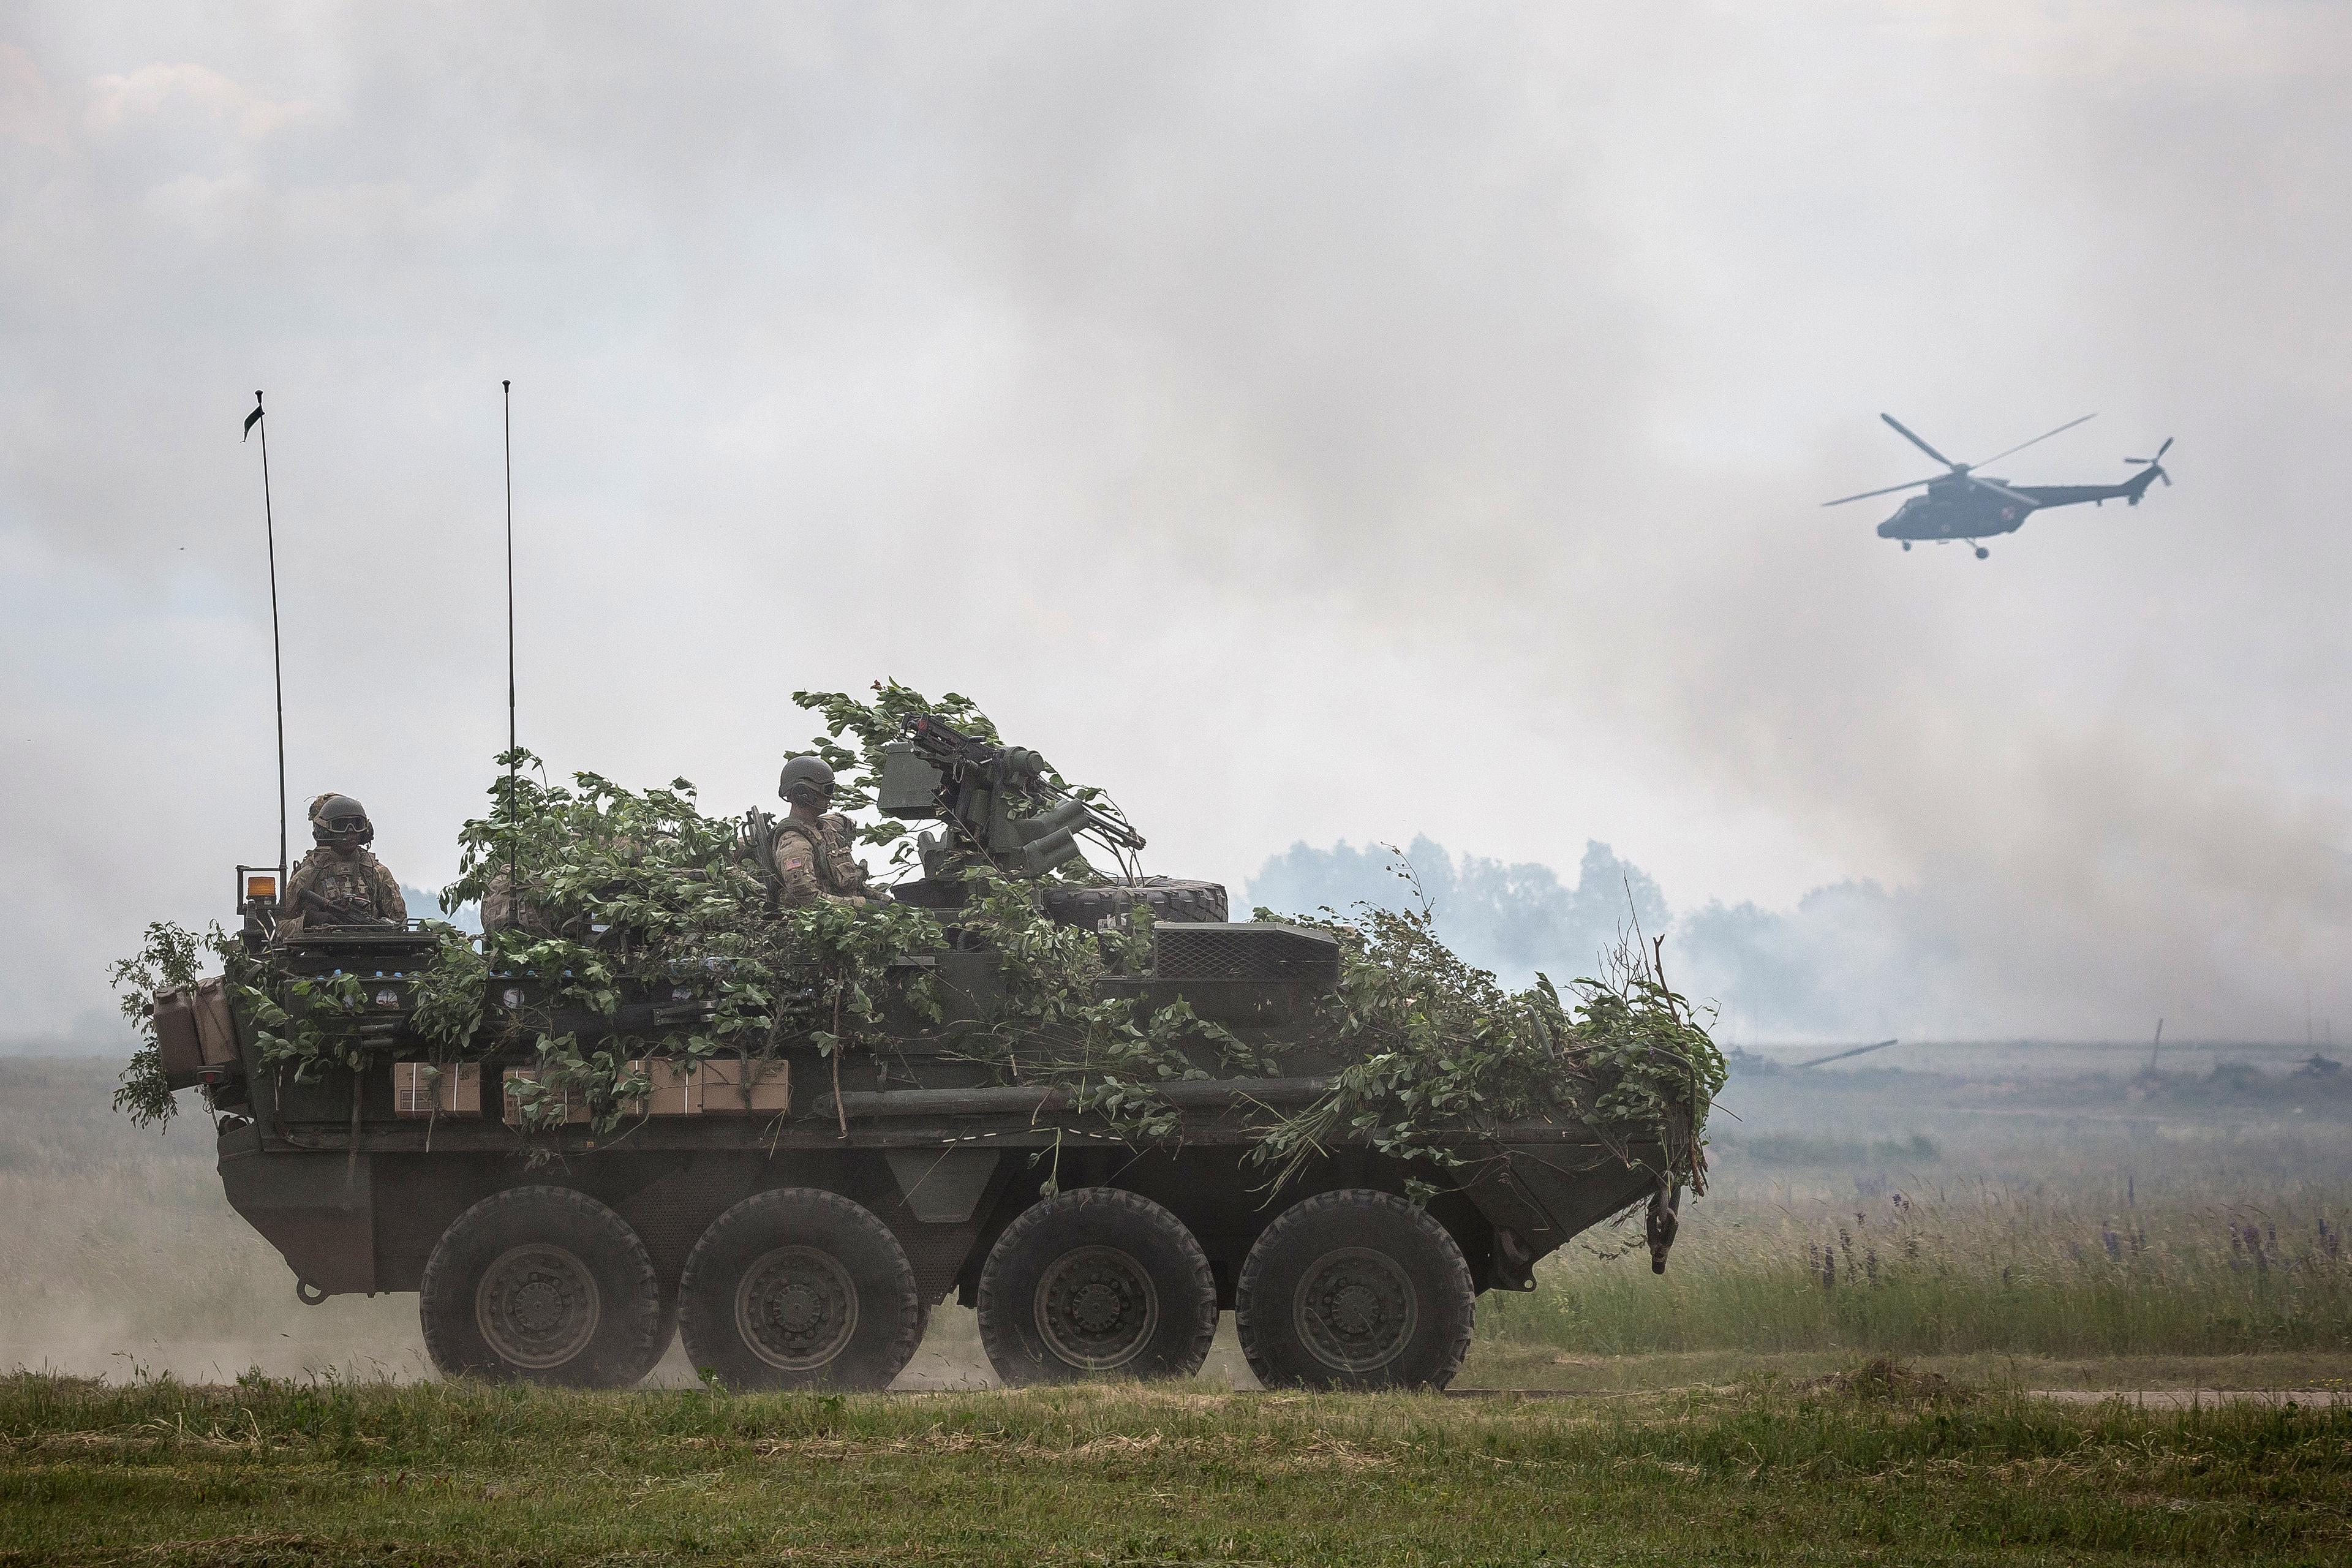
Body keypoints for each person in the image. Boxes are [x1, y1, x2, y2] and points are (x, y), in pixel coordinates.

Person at [279, 793, 407, 934]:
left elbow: (399, 926)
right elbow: (277, 928)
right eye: (341, 825)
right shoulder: (307, 876)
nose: (350, 832)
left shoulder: (378, 873)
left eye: (357, 825)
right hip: (318, 953)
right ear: (325, 831)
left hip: (371, 952)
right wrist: (308, 921)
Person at [770, 756, 885, 908]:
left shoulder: (824, 829)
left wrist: (884, 901)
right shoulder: (795, 843)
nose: (831, 796)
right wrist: (865, 905)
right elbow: (808, 900)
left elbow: (854, 887)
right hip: (826, 922)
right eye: (827, 790)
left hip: (846, 912)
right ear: (803, 793)